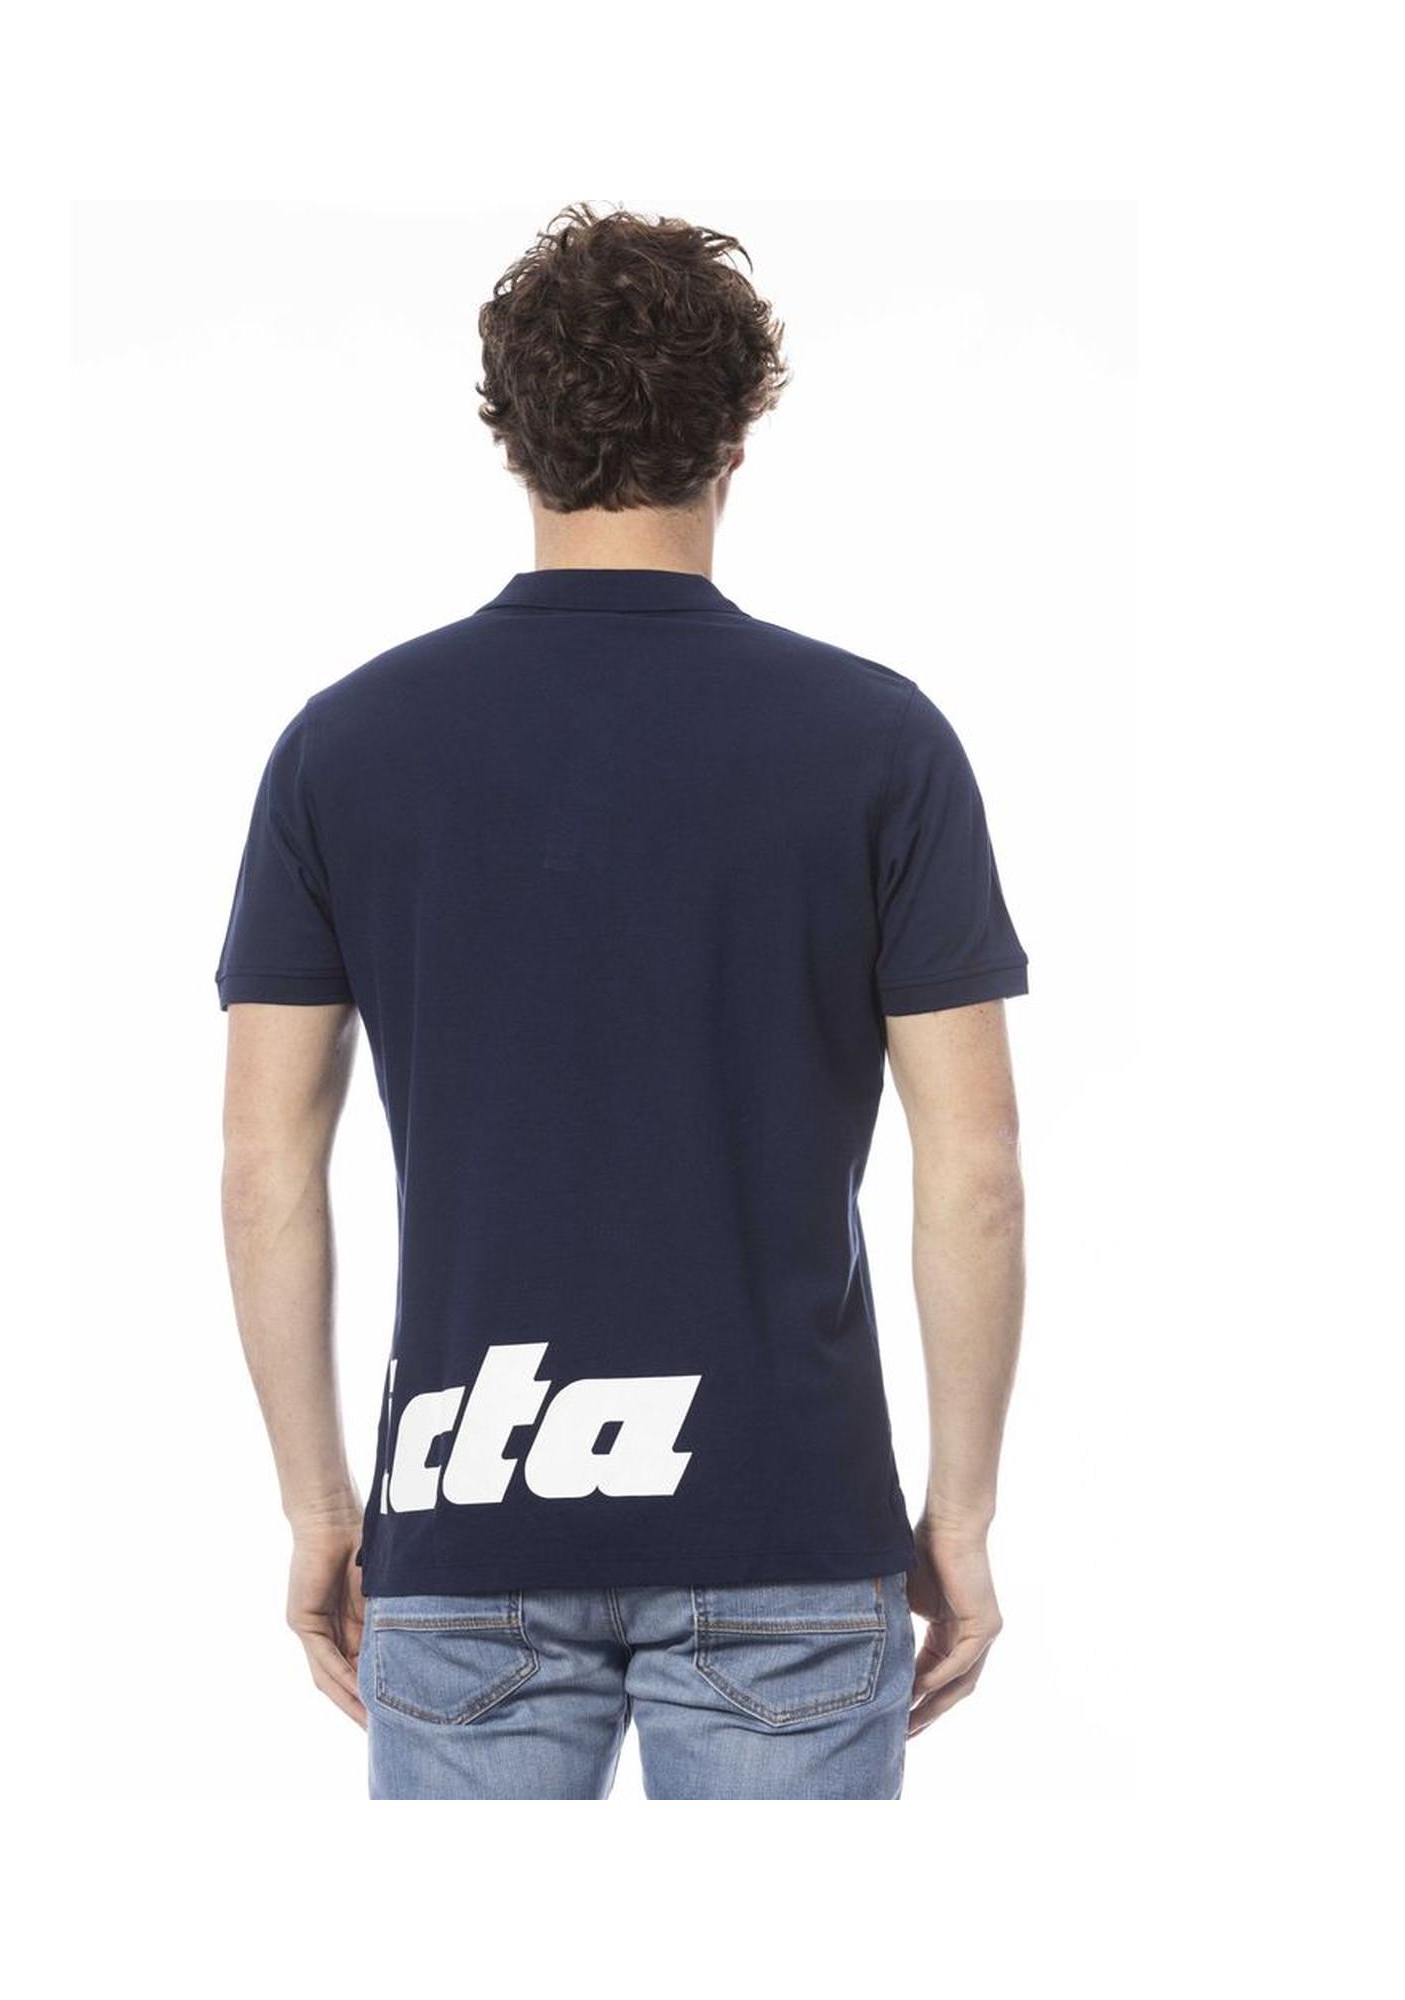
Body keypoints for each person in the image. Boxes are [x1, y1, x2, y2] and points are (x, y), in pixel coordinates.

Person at [217, 203, 1028, 1799]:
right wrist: (962, 1514)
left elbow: (263, 1171)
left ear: (511, 436)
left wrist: (321, 1508)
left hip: (464, 1514)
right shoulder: (879, 742)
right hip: (789, 1525)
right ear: (737, 437)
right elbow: (977, 1171)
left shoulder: (344, 747)